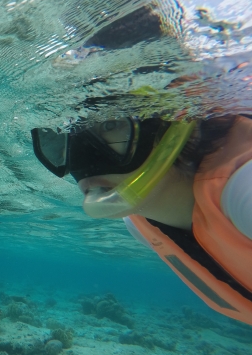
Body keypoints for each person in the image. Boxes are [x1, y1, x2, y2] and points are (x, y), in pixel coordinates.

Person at [31, 110, 252, 325]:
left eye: (111, 124)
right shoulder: (139, 224)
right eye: (62, 139)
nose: (79, 159)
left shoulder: (243, 189)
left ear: (181, 124)